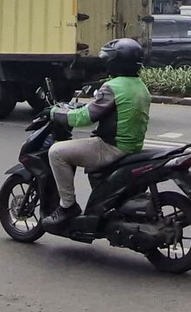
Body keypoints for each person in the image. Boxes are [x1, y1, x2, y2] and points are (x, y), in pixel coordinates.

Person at [41, 38, 152, 230]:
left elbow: (85, 118)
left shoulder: (113, 86)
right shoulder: (140, 86)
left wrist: (54, 113)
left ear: (116, 62)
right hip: (133, 148)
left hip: (111, 148)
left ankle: (67, 206)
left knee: (56, 152)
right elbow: (108, 109)